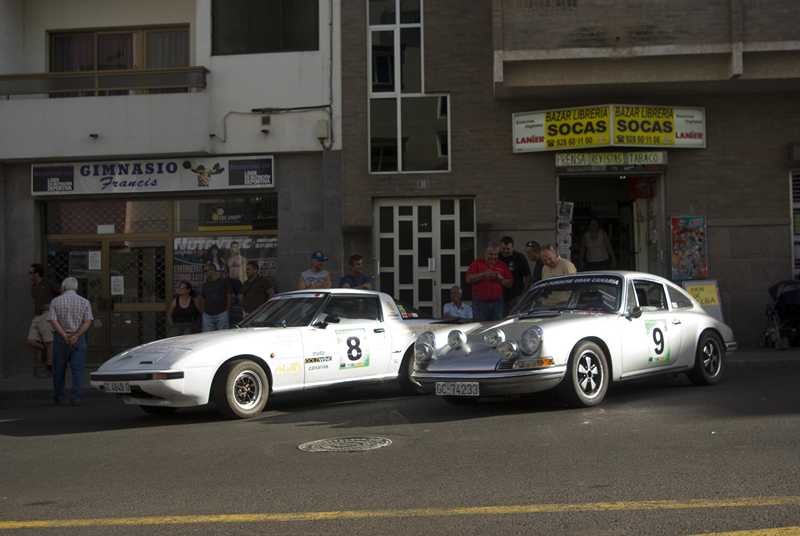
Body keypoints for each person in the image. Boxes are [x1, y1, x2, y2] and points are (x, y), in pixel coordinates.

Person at [48, 277, 93, 406]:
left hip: (60, 338)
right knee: (78, 370)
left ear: (63, 287)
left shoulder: (55, 301)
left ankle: (59, 397)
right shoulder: (84, 302)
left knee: (59, 370)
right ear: (76, 287)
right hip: (78, 338)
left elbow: (53, 320)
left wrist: (64, 335)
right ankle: (76, 397)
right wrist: (76, 335)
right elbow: (87, 321)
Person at [465, 241, 512, 321]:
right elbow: (468, 279)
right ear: (485, 253)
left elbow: (510, 284)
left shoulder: (502, 265)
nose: (493, 257)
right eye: (490, 254)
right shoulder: (476, 263)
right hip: (480, 303)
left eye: (496, 254)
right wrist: (483, 274)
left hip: (497, 303)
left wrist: (500, 279)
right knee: (480, 326)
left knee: (497, 326)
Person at [27, 263, 56, 377]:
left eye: (31, 273)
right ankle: (45, 350)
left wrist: (52, 305)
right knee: (30, 341)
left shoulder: (48, 283)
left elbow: (61, 293)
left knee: (49, 342)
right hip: (37, 316)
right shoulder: (33, 286)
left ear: (37, 273)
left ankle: (49, 368)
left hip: (46, 315)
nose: (29, 275)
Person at [498, 236, 531, 314]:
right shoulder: (497, 257)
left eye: (508, 249)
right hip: (500, 296)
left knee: (515, 316)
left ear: (512, 247)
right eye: (503, 249)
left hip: (516, 295)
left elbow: (527, 275)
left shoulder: (519, 257)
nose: (505, 251)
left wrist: (524, 292)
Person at [200, 263, 232, 332]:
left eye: (206, 271)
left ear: (212, 270)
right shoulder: (205, 285)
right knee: (207, 336)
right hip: (207, 315)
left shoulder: (223, 282)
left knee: (222, 335)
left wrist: (227, 310)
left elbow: (229, 296)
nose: (205, 273)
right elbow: (203, 298)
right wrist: (203, 312)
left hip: (221, 313)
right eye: (204, 271)